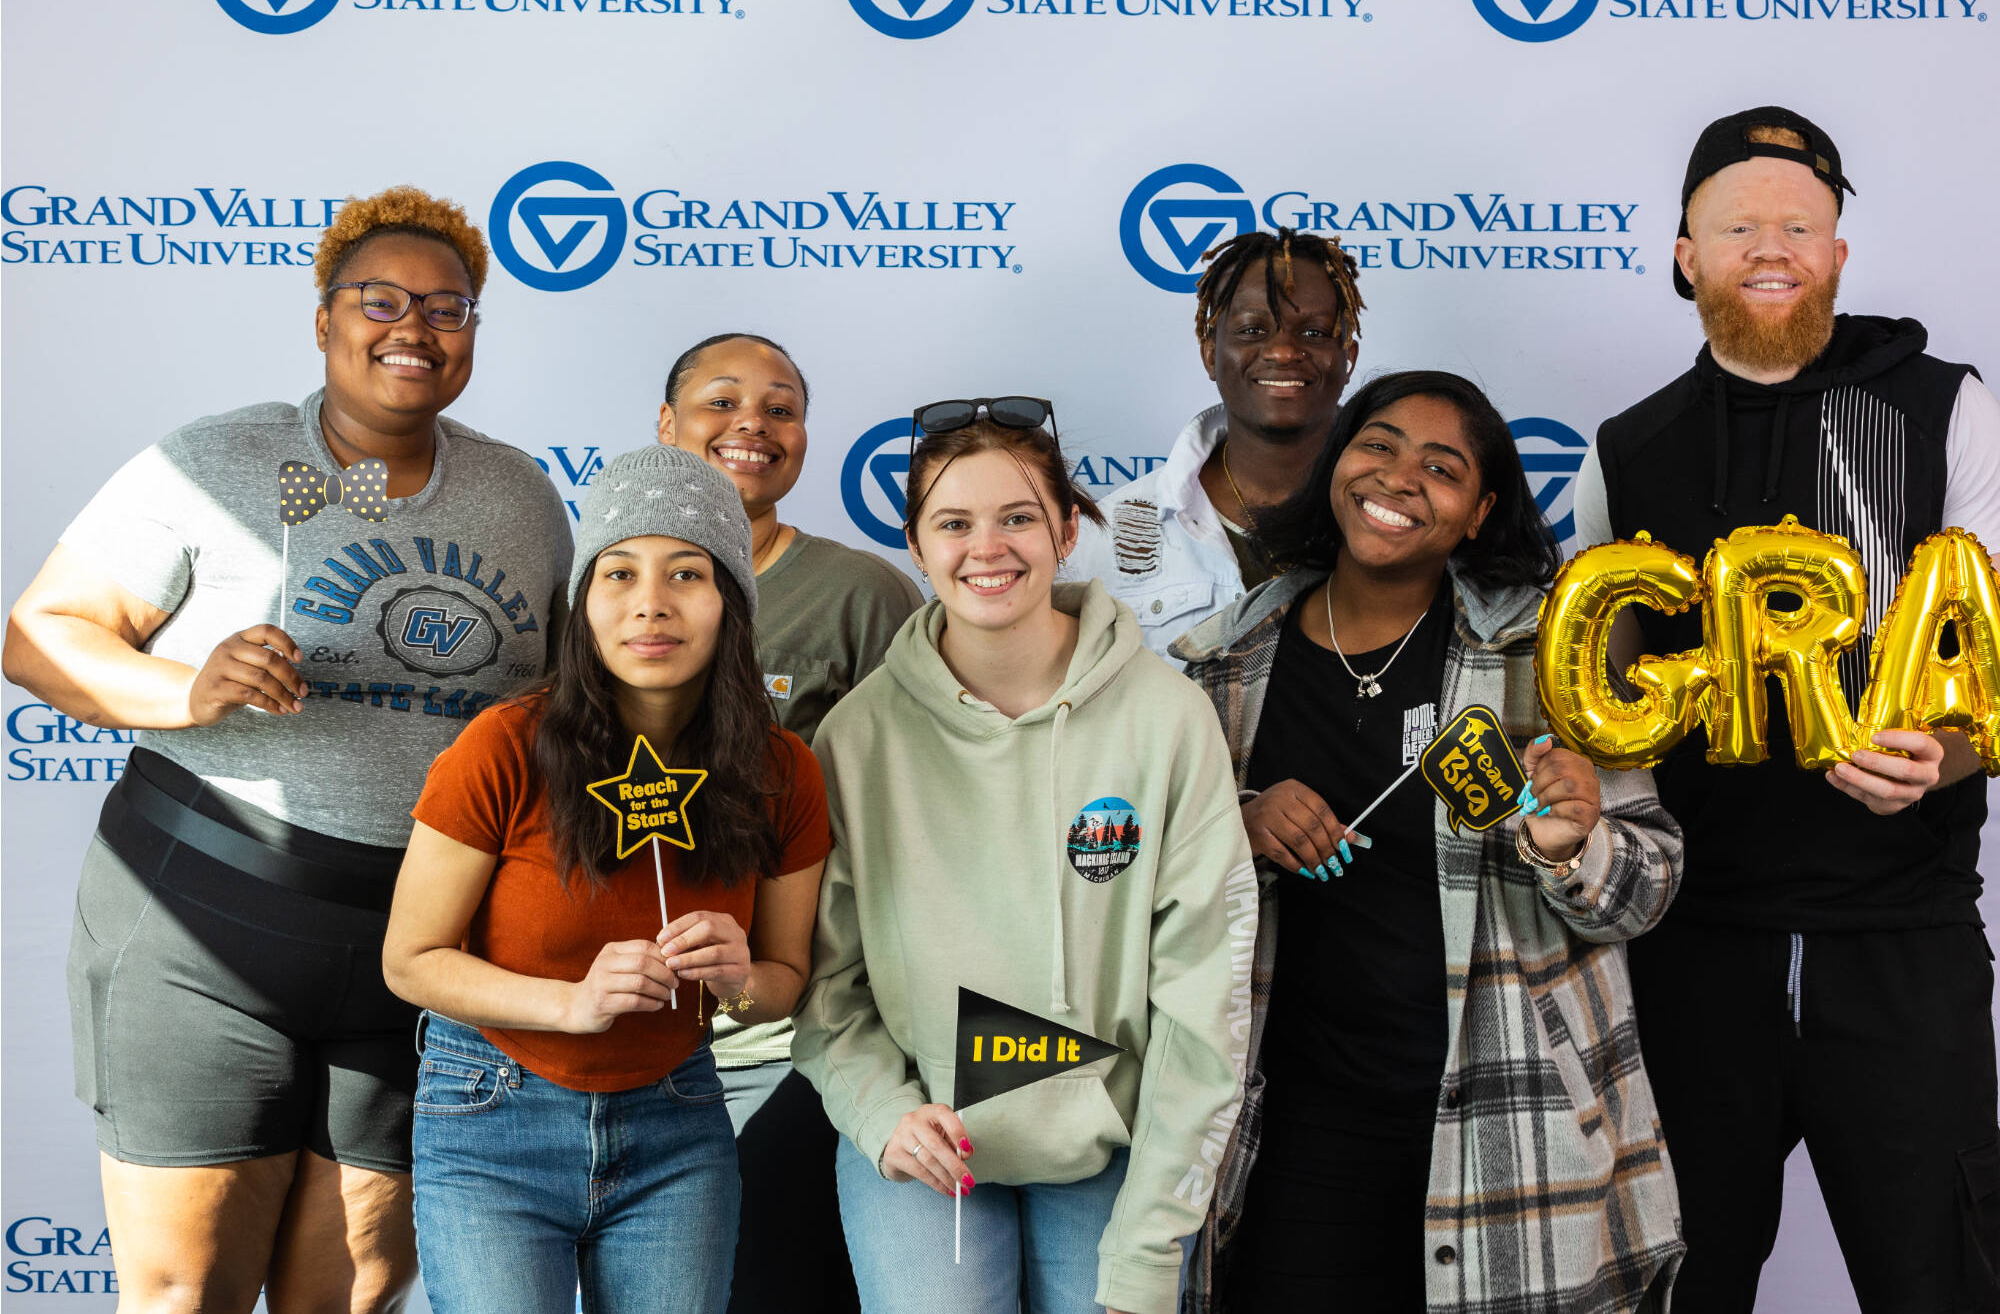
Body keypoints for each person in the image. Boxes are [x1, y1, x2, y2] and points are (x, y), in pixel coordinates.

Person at [0, 186, 569, 1313]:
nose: (414, 326)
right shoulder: (216, 459)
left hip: (419, 949)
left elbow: (549, 711)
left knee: (352, 1299)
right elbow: (39, 638)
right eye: (380, 298)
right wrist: (190, 686)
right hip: (203, 926)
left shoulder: (520, 494)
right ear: (323, 318)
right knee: (184, 1298)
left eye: (448, 307)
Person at [1573, 106, 2000, 1311]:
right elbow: (1593, 702)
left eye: (1801, 225)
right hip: (1692, 950)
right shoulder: (1624, 449)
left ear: (1838, 256)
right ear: (1683, 254)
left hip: (1900, 941)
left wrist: (1945, 757)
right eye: (1739, 224)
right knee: (1681, 1282)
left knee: (1940, 1281)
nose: (1773, 247)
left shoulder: (1942, 407)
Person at [1177, 371, 1685, 1311]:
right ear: (1337, 464)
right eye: (1378, 445)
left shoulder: (1548, 653)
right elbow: (1154, 892)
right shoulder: (1226, 663)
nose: (1401, 477)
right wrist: (1237, 821)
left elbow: (1647, 889)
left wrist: (1576, 842)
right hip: (1298, 1132)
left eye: (1441, 467)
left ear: (1481, 510)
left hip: (1514, 1128)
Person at [793, 397, 1254, 1314]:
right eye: (954, 523)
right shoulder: (855, 736)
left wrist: (1153, 1237)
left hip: (1108, 1145)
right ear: (917, 549)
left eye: (1018, 518)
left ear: (1069, 531)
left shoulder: (1167, 718)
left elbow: (1204, 1003)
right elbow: (826, 982)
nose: (987, 548)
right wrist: (880, 1112)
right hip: (926, 1139)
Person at [382, 444, 830, 1313]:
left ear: (731, 600)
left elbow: (783, 982)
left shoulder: (783, 770)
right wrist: (571, 1003)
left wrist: (739, 980)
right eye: (618, 573)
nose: (650, 604)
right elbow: (411, 960)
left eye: (687, 573)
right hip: (491, 1114)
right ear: (584, 601)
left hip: (676, 1118)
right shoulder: (504, 746)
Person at [656, 331, 921, 1313]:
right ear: (665, 426)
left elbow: (924, 802)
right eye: (720, 401)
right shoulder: (596, 591)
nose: (751, 427)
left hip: (796, 1033)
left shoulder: (861, 594)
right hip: (632, 1034)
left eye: (778, 407)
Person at [1068, 227, 1364, 662]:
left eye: (1315, 333)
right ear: (1210, 354)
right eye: (1252, 329)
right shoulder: (1113, 533)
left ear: (1348, 358)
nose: (1283, 351)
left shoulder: (1396, 518)